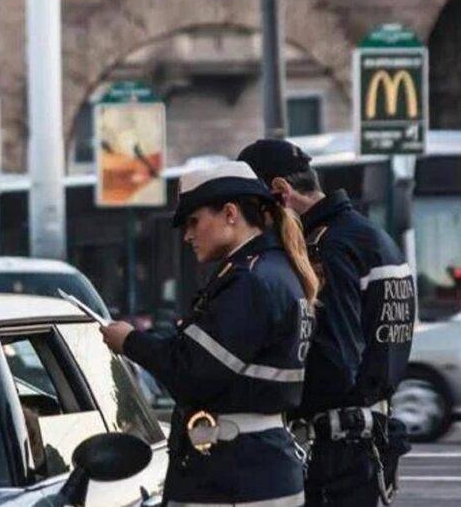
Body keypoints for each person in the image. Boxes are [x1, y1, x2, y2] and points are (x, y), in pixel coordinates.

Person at [101, 161, 319, 507]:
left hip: (232, 475)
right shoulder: (275, 272)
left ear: (230, 213)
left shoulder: (250, 281)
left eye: (194, 221)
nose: (187, 235)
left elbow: (194, 374)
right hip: (261, 468)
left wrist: (130, 341)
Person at [237, 139, 415, 506]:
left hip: (336, 451)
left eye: (254, 210)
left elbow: (334, 362)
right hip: (369, 440)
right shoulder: (371, 237)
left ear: (280, 192)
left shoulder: (326, 248)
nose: (256, 227)